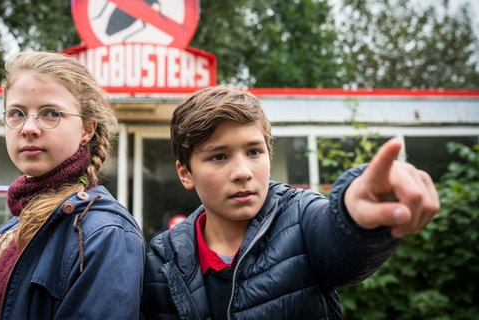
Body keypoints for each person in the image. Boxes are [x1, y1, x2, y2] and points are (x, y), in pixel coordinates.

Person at [141, 86, 440, 319]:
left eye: (254, 152)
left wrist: (354, 214)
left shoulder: (300, 214)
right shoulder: (161, 260)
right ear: (185, 173)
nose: (243, 172)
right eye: (219, 156)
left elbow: (337, 237)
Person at [0, 51, 145, 319]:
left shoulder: (104, 234)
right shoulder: (12, 228)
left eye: (50, 113)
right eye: (17, 113)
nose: (28, 127)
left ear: (87, 130)